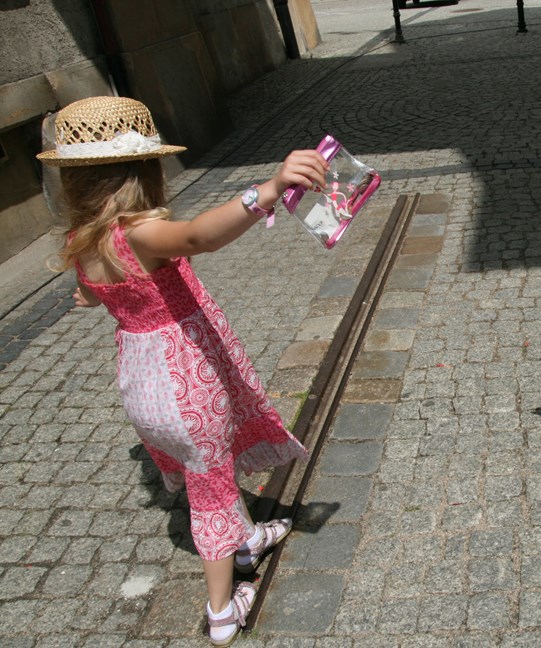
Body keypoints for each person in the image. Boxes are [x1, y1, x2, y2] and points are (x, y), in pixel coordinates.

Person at [38, 96, 328, 645]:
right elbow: (198, 235)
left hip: (143, 386)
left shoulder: (85, 243)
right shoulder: (139, 234)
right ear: (144, 172)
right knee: (210, 488)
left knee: (209, 469)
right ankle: (222, 610)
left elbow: (89, 296)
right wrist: (265, 191)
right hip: (186, 383)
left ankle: (246, 538)